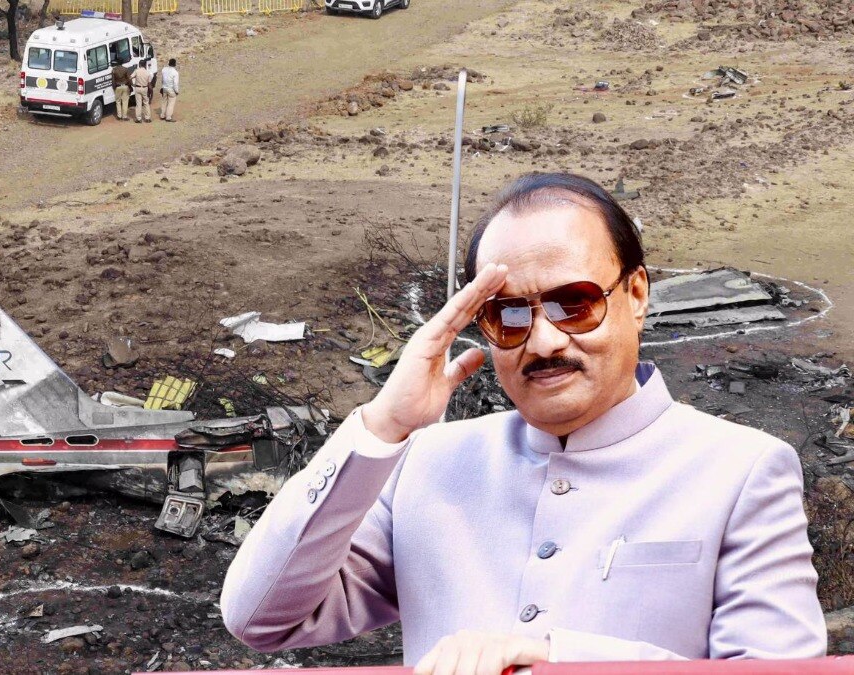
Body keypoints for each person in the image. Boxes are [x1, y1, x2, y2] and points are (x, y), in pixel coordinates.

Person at [220, 172, 826, 674]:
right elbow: (260, 618)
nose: (542, 340)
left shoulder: (741, 470)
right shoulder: (423, 463)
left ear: (637, 294)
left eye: (574, 303)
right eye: (508, 315)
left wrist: (557, 661)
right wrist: (381, 427)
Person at [132, 58, 152, 123]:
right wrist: (150, 92)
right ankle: (147, 118)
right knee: (146, 103)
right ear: (145, 65)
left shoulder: (136, 71)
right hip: (145, 88)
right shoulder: (148, 72)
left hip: (137, 88)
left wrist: (132, 84)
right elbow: (149, 84)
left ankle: (138, 119)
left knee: (138, 104)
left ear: (139, 64)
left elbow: (130, 77)